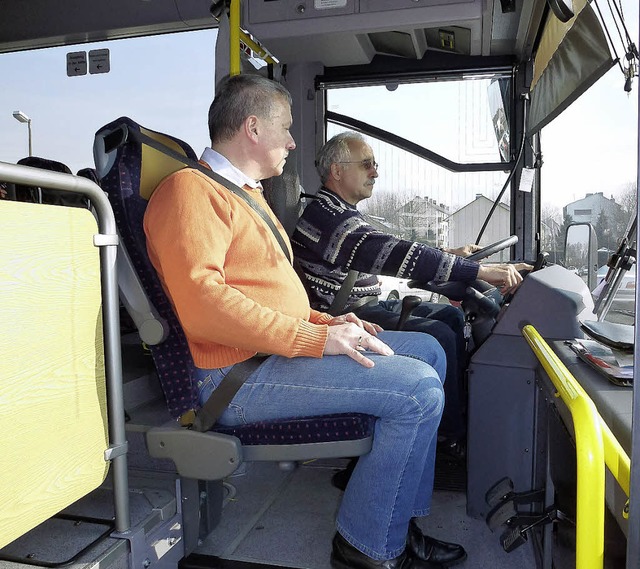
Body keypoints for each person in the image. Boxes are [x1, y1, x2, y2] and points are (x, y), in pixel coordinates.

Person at [144, 73, 469, 569]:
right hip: (236, 378)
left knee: (429, 351)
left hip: (269, 355)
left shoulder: (249, 197)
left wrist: (330, 322)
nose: (294, 142)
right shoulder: (189, 192)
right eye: (287, 128)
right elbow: (204, 304)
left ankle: (396, 515)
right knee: (417, 389)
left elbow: (276, 299)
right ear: (253, 128)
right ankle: (367, 547)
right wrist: (313, 339)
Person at [291, 131, 526, 456]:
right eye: (367, 164)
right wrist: (478, 271)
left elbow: (393, 248)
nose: (375, 172)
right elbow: (388, 251)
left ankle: (456, 421)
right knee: (441, 333)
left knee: (450, 315)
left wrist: (449, 252)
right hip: (345, 316)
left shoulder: (341, 212)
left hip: (365, 306)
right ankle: (447, 439)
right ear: (337, 170)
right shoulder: (326, 217)